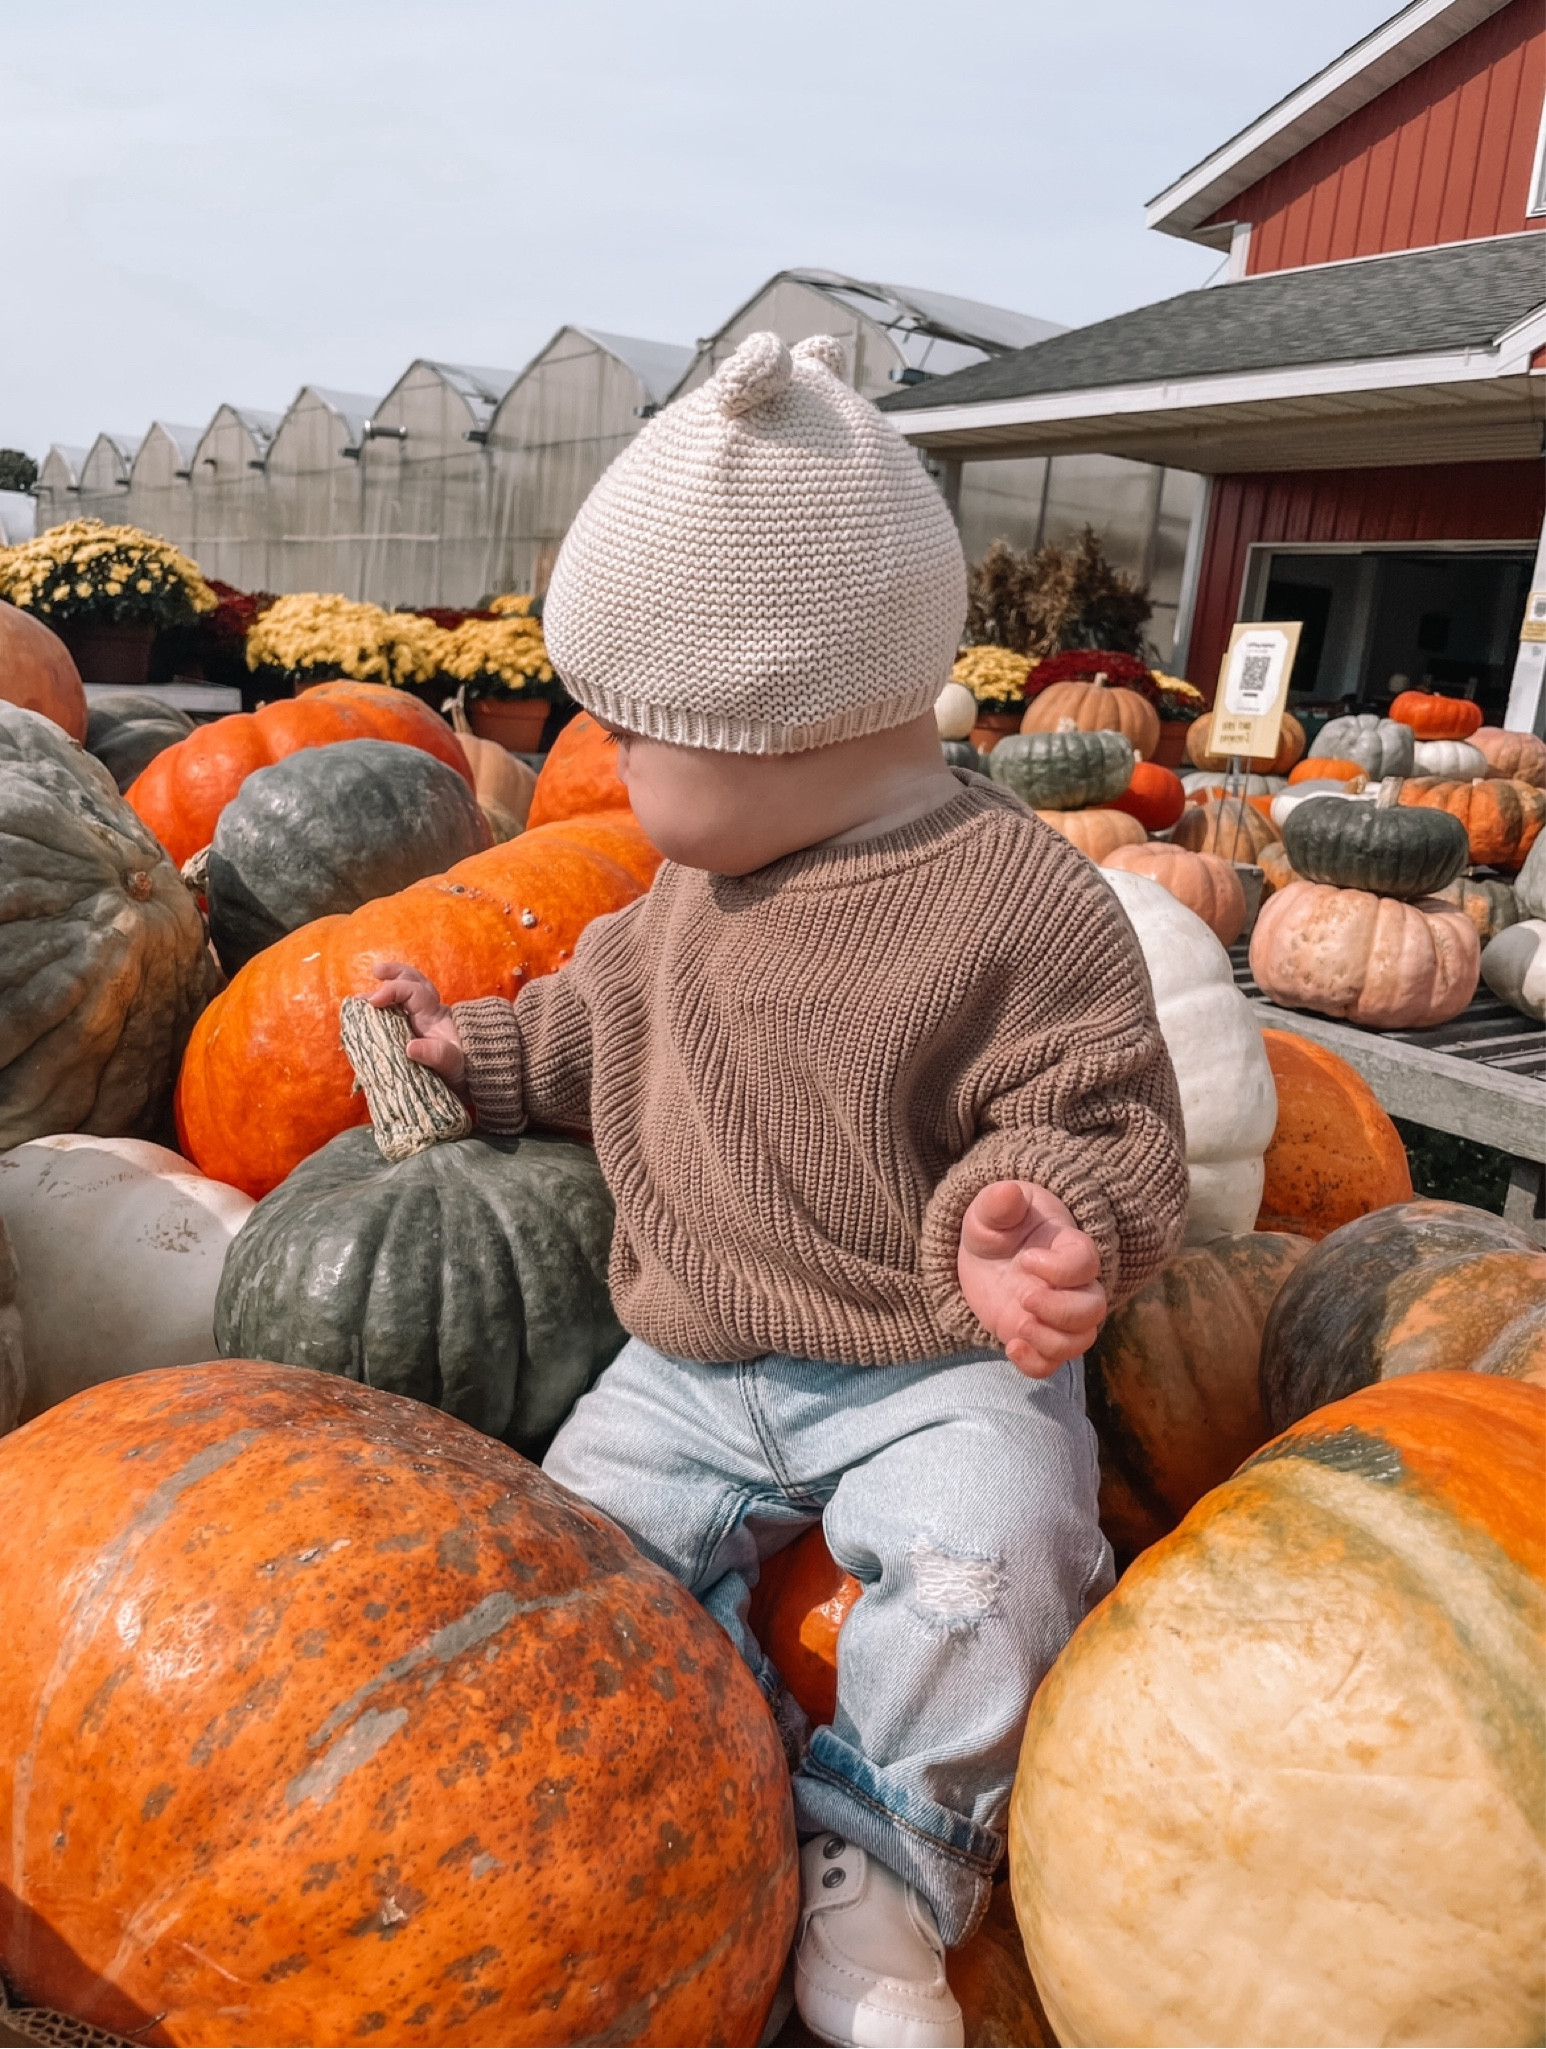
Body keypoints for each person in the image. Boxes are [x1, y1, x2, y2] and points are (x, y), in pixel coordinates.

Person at [373, 331, 1187, 2049]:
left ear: (753, 720)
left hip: (923, 1365)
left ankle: (889, 1856)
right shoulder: (682, 897)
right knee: (567, 1567)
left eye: (625, 728)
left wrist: (1040, 1210)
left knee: (1000, 1551)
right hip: (686, 1366)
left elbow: (1101, 1112)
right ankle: (737, 1766)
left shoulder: (1016, 905)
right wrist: (470, 1055)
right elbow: (594, 1032)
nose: (601, 761)